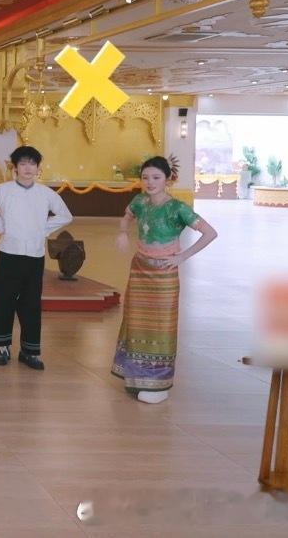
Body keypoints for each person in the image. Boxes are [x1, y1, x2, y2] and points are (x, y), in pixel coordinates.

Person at [112, 156, 218, 404]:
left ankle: (158, 383)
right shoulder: (139, 201)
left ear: (168, 179)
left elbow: (210, 232)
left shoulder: (177, 208)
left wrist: (182, 256)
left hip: (164, 274)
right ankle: (135, 377)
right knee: (135, 320)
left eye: (156, 177)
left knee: (161, 326)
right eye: (145, 177)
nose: (150, 182)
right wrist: (123, 232)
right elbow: (126, 217)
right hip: (139, 268)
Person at [0, 145, 72, 371]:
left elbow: (65, 215)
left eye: (32, 164)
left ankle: (29, 351)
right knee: (3, 300)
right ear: (15, 167)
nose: (28, 168)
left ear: (38, 168)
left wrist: (43, 229)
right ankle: (2, 347)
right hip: (8, 252)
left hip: (34, 254)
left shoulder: (46, 194)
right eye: (23, 163)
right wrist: (0, 225)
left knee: (31, 303)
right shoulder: (2, 190)